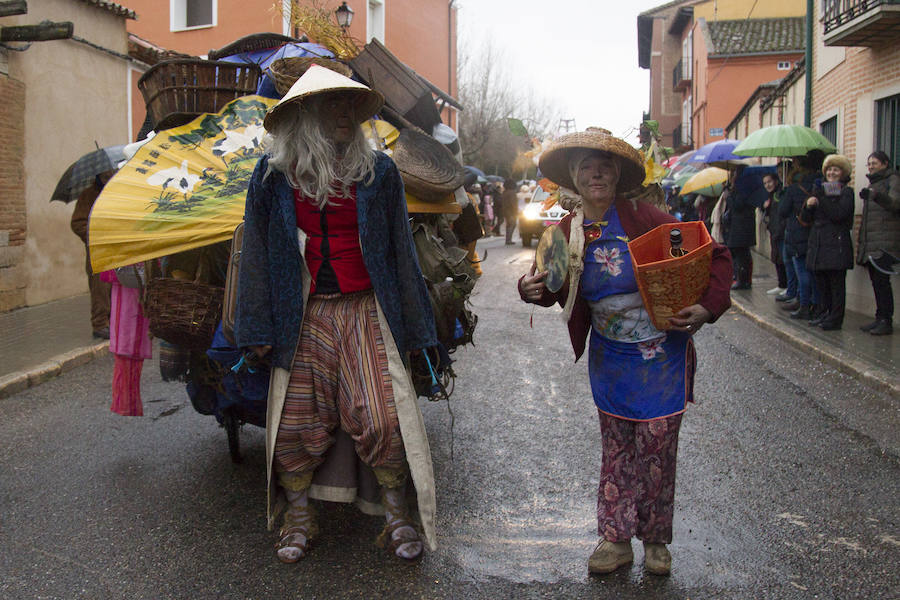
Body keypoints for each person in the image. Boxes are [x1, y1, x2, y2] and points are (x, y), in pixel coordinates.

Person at [233, 65, 439, 563]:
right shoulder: (271, 176)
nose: (345, 114)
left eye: (349, 106)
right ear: (305, 115)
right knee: (293, 422)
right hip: (301, 312)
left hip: (367, 308)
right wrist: (256, 326)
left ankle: (395, 517)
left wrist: (414, 327)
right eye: (333, 105)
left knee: (385, 417)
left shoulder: (381, 172)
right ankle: (299, 516)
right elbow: (257, 251)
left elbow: (399, 252)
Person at [517, 129, 732, 576]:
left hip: (661, 357)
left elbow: (714, 255)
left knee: (657, 447)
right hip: (611, 359)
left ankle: (655, 542)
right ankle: (615, 540)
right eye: (586, 168)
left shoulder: (646, 219)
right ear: (574, 179)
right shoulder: (565, 232)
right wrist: (529, 289)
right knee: (617, 449)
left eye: (604, 166)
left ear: (617, 175)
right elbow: (549, 281)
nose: (596, 174)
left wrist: (707, 308)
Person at [800, 155, 855, 330]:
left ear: (842, 173)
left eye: (836, 169)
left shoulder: (846, 192)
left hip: (836, 245)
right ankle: (825, 312)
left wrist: (821, 200)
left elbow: (839, 214)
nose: (832, 172)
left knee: (836, 285)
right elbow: (806, 219)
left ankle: (835, 318)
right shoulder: (819, 191)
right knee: (822, 284)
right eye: (829, 169)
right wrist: (808, 206)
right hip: (819, 245)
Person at [856, 150, 899, 336]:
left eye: (874, 163)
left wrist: (875, 196)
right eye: (869, 164)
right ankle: (879, 317)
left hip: (885, 242)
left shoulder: (893, 179)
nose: (871, 166)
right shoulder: (873, 183)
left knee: (882, 282)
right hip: (873, 242)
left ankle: (886, 321)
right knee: (876, 281)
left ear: (885, 163)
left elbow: (895, 204)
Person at [779, 151, 824, 319]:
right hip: (815, 233)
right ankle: (814, 304)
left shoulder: (792, 188)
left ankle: (805, 305)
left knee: (802, 273)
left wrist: (785, 193)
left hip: (797, 233)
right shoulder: (819, 183)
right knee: (813, 273)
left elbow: (783, 211)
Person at [71, 173, 112, 339]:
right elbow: (77, 223)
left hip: (114, 250)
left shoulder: (113, 193)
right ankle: (100, 324)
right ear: (100, 177)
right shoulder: (89, 194)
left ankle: (111, 322)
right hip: (97, 251)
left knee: (113, 288)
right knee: (100, 289)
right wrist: (95, 235)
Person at [722, 166, 764, 289]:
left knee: (742, 255)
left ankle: (743, 280)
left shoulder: (744, 189)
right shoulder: (741, 188)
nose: (733, 176)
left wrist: (728, 197)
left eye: (735, 173)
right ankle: (742, 279)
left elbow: (738, 205)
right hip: (740, 226)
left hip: (741, 227)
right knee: (742, 254)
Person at [761, 172, 789, 295]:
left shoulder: (780, 193)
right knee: (776, 258)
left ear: (776, 181)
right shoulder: (770, 196)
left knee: (784, 259)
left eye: (769, 182)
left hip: (781, 231)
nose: (767, 185)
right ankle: (781, 284)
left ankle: (787, 285)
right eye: (765, 183)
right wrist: (765, 207)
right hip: (774, 230)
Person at [502, 178, 519, 245]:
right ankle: (508, 240)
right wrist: (516, 211)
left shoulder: (504, 192)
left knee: (508, 225)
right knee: (512, 224)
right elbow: (513, 203)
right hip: (511, 212)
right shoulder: (512, 193)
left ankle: (508, 239)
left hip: (506, 211)